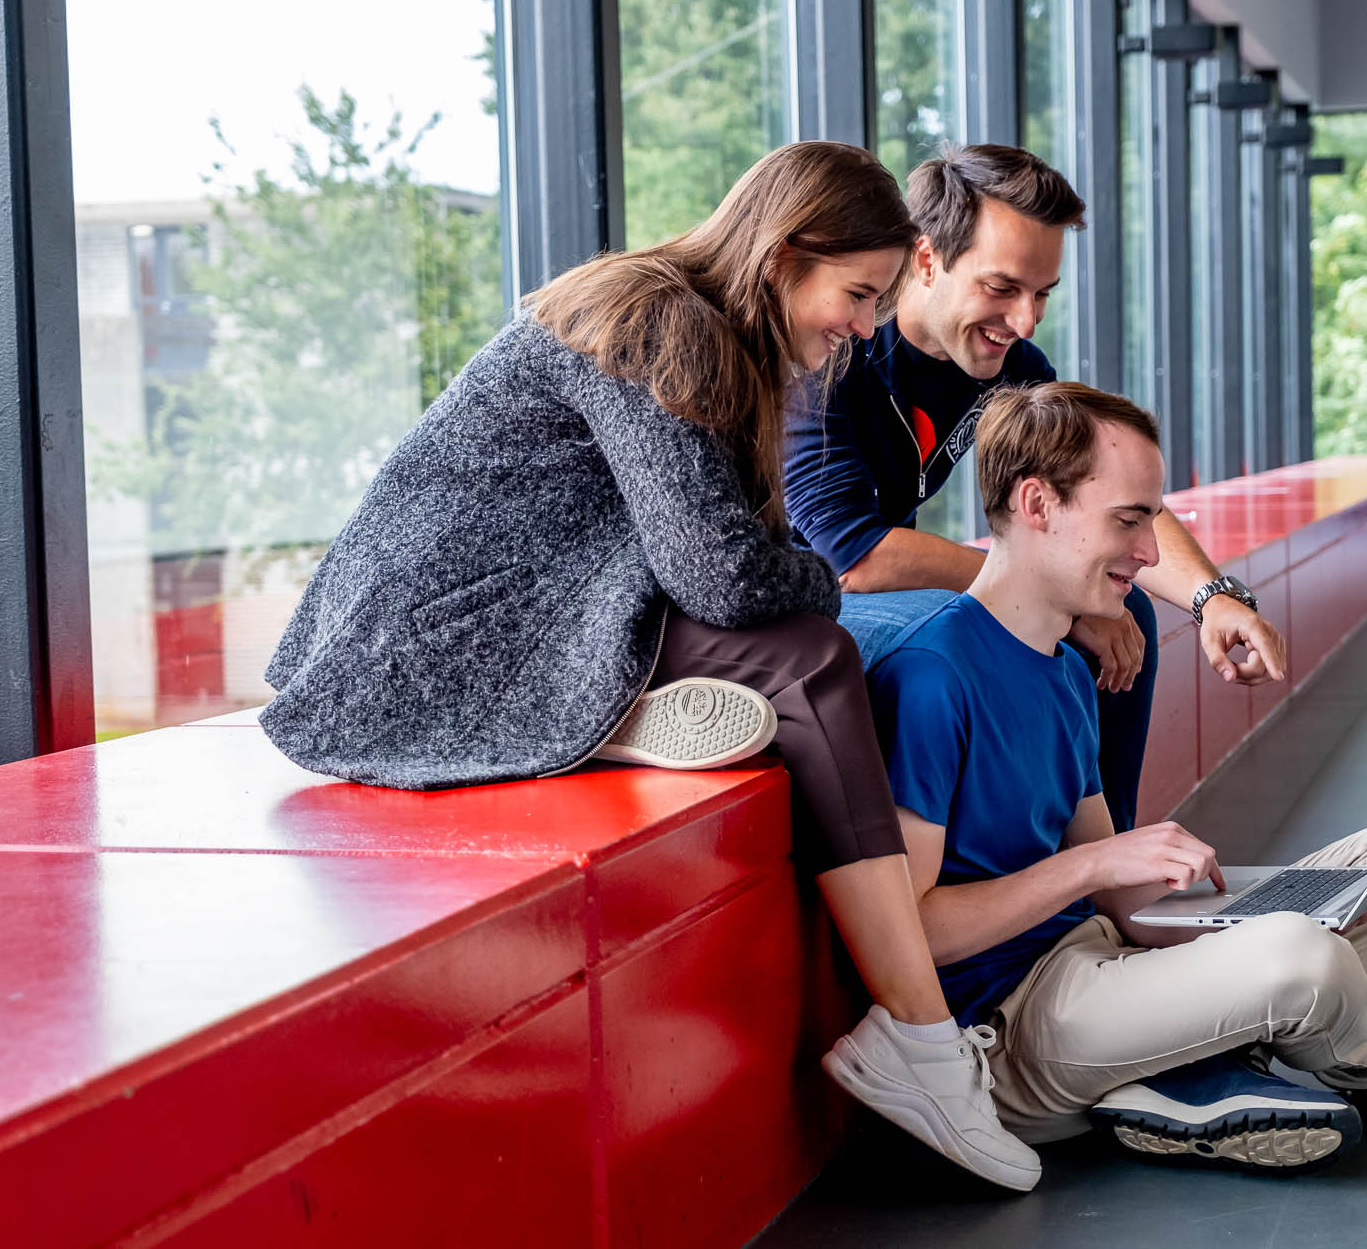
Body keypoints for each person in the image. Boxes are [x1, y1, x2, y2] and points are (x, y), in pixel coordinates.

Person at [260, 141, 1040, 1192]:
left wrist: (789, 572)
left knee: (818, 649)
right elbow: (723, 572)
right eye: (857, 295)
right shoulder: (652, 321)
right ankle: (919, 1036)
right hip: (431, 646)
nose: (864, 326)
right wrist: (822, 578)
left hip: (542, 605)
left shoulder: (718, 333)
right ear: (783, 257)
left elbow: (727, 550)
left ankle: (625, 709)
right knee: (813, 661)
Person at [865, 381, 1367, 1170]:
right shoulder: (931, 676)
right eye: (1128, 520)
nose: (1148, 551)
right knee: (1305, 960)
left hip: (1104, 959)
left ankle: (1205, 1058)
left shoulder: (1062, 672)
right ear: (1037, 504)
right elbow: (913, 931)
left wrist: (1251, 910)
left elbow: (1121, 904)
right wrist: (1097, 866)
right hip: (1016, 1025)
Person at [783, 142, 1286, 836]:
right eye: (1002, 288)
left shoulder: (1009, 364)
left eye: (1042, 294)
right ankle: (1014, 870)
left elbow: (1112, 494)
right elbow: (855, 558)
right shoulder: (831, 354)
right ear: (926, 259)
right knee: (1026, 623)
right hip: (798, 606)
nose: (1024, 321)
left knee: (1123, 610)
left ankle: (1111, 861)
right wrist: (1048, 597)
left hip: (864, 588)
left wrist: (1213, 599)